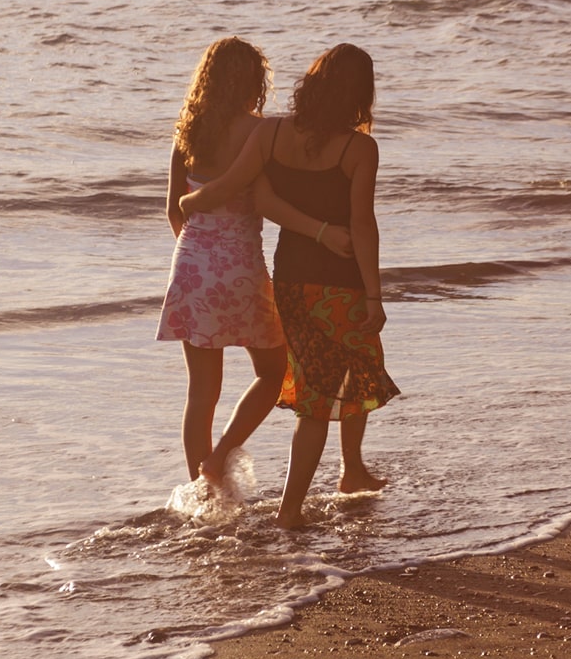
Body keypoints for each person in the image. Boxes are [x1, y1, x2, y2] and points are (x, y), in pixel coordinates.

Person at [185, 43, 399, 527]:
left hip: (290, 279)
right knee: (324, 397)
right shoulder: (359, 148)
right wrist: (374, 294)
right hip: (338, 283)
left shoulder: (272, 133)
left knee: (351, 373)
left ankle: (352, 469)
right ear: (361, 95)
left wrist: (194, 200)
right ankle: (291, 510)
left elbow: (248, 192)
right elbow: (363, 225)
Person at [157, 37, 349, 483]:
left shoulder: (186, 132)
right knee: (272, 370)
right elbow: (265, 201)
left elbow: (173, 208)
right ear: (253, 81)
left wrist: (198, 254)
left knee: (201, 392)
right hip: (242, 267)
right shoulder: (260, 132)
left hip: (191, 265)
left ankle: (201, 492)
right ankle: (220, 454)